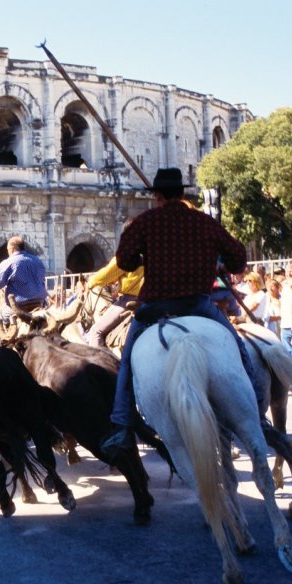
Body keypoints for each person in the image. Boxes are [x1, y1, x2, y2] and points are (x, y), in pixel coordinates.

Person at [100, 168, 265, 456]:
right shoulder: (204, 223)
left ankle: (123, 423)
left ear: (158, 196)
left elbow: (124, 261)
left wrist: (145, 255)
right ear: (183, 193)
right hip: (198, 304)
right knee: (237, 348)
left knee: (127, 357)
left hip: (155, 306)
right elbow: (239, 260)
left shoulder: (144, 222)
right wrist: (216, 262)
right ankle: (257, 409)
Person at [85, 224, 144, 348]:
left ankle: (98, 366)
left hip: (131, 299)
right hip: (155, 300)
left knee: (96, 332)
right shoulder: (155, 252)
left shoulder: (126, 256)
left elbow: (105, 275)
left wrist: (90, 282)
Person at [0, 236, 48, 324]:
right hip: (40, 303)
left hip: (19, 306)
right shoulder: (37, 260)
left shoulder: (9, 262)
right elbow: (42, 277)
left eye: (8, 250)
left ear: (12, 249)